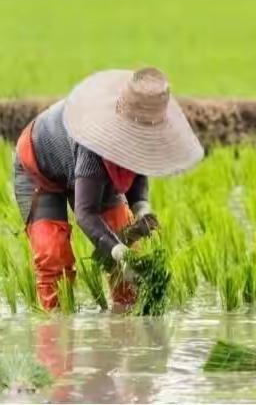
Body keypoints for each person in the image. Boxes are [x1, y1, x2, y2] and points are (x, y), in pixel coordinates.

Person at [14, 67, 204, 310]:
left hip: (86, 173)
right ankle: (56, 330)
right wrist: (117, 251)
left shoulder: (141, 138)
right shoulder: (96, 141)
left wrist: (142, 208)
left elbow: (137, 170)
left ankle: (124, 324)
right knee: (53, 256)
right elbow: (86, 213)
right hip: (40, 171)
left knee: (124, 241)